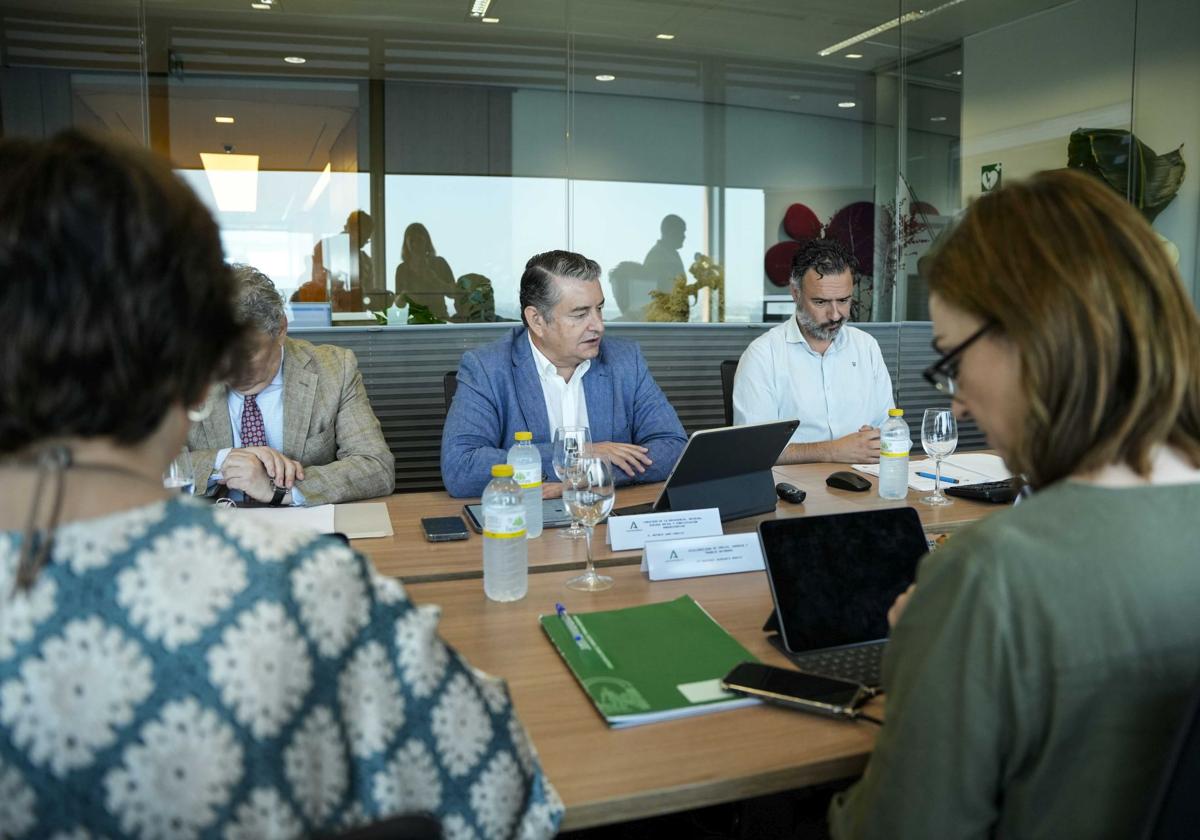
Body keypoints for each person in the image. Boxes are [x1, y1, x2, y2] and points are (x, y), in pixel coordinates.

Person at [0, 130, 561, 838]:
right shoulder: (305, 594)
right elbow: (506, 793)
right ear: (184, 353)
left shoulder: (329, 370)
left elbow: (375, 466)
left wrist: (289, 485)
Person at [828, 170, 1200, 838]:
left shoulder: (992, 577)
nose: (957, 402)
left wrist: (926, 653)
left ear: (1032, 337)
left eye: (951, 361)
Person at [440, 249, 688, 498]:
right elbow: (461, 467)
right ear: (537, 320)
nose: (598, 326)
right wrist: (580, 454)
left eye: (599, 309)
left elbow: (673, 448)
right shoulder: (487, 368)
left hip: (606, 519)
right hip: (528, 523)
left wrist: (584, 479)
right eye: (580, 314)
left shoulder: (625, 360)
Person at [187, 265, 395, 505]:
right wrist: (222, 461)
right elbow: (147, 466)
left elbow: (376, 467)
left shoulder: (335, 370)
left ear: (281, 329)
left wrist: (278, 490)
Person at [733, 238, 893, 464]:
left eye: (844, 300)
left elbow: (893, 431)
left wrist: (879, 440)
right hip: (794, 491)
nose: (836, 315)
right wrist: (833, 451)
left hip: (865, 485)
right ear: (795, 293)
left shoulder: (866, 347)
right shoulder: (762, 355)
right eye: (821, 302)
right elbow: (753, 450)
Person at [292, 210, 376, 311]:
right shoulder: (326, 248)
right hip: (327, 311)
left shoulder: (365, 260)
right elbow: (318, 279)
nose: (364, 243)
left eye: (367, 239)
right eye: (365, 237)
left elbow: (368, 291)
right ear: (351, 228)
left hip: (355, 314)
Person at [393, 222, 459, 320]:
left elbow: (454, 294)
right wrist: (404, 295)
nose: (415, 244)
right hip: (416, 323)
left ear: (427, 241)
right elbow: (399, 304)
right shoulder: (402, 269)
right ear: (406, 244)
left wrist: (435, 280)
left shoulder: (439, 263)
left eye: (419, 240)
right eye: (412, 241)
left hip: (440, 320)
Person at [643, 214, 687, 294]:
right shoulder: (657, 256)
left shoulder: (670, 254)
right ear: (672, 232)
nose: (684, 236)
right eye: (682, 232)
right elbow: (667, 290)